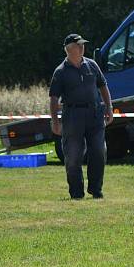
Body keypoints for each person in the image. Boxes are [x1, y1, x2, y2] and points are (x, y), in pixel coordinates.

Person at [49, 34, 114, 199]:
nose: (82, 47)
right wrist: (55, 121)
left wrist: (109, 107)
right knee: (73, 155)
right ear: (70, 49)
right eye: (79, 45)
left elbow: (103, 85)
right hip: (72, 116)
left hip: (94, 114)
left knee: (99, 151)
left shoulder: (92, 65)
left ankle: (96, 190)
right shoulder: (60, 72)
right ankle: (76, 193)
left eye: (82, 45)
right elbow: (54, 99)